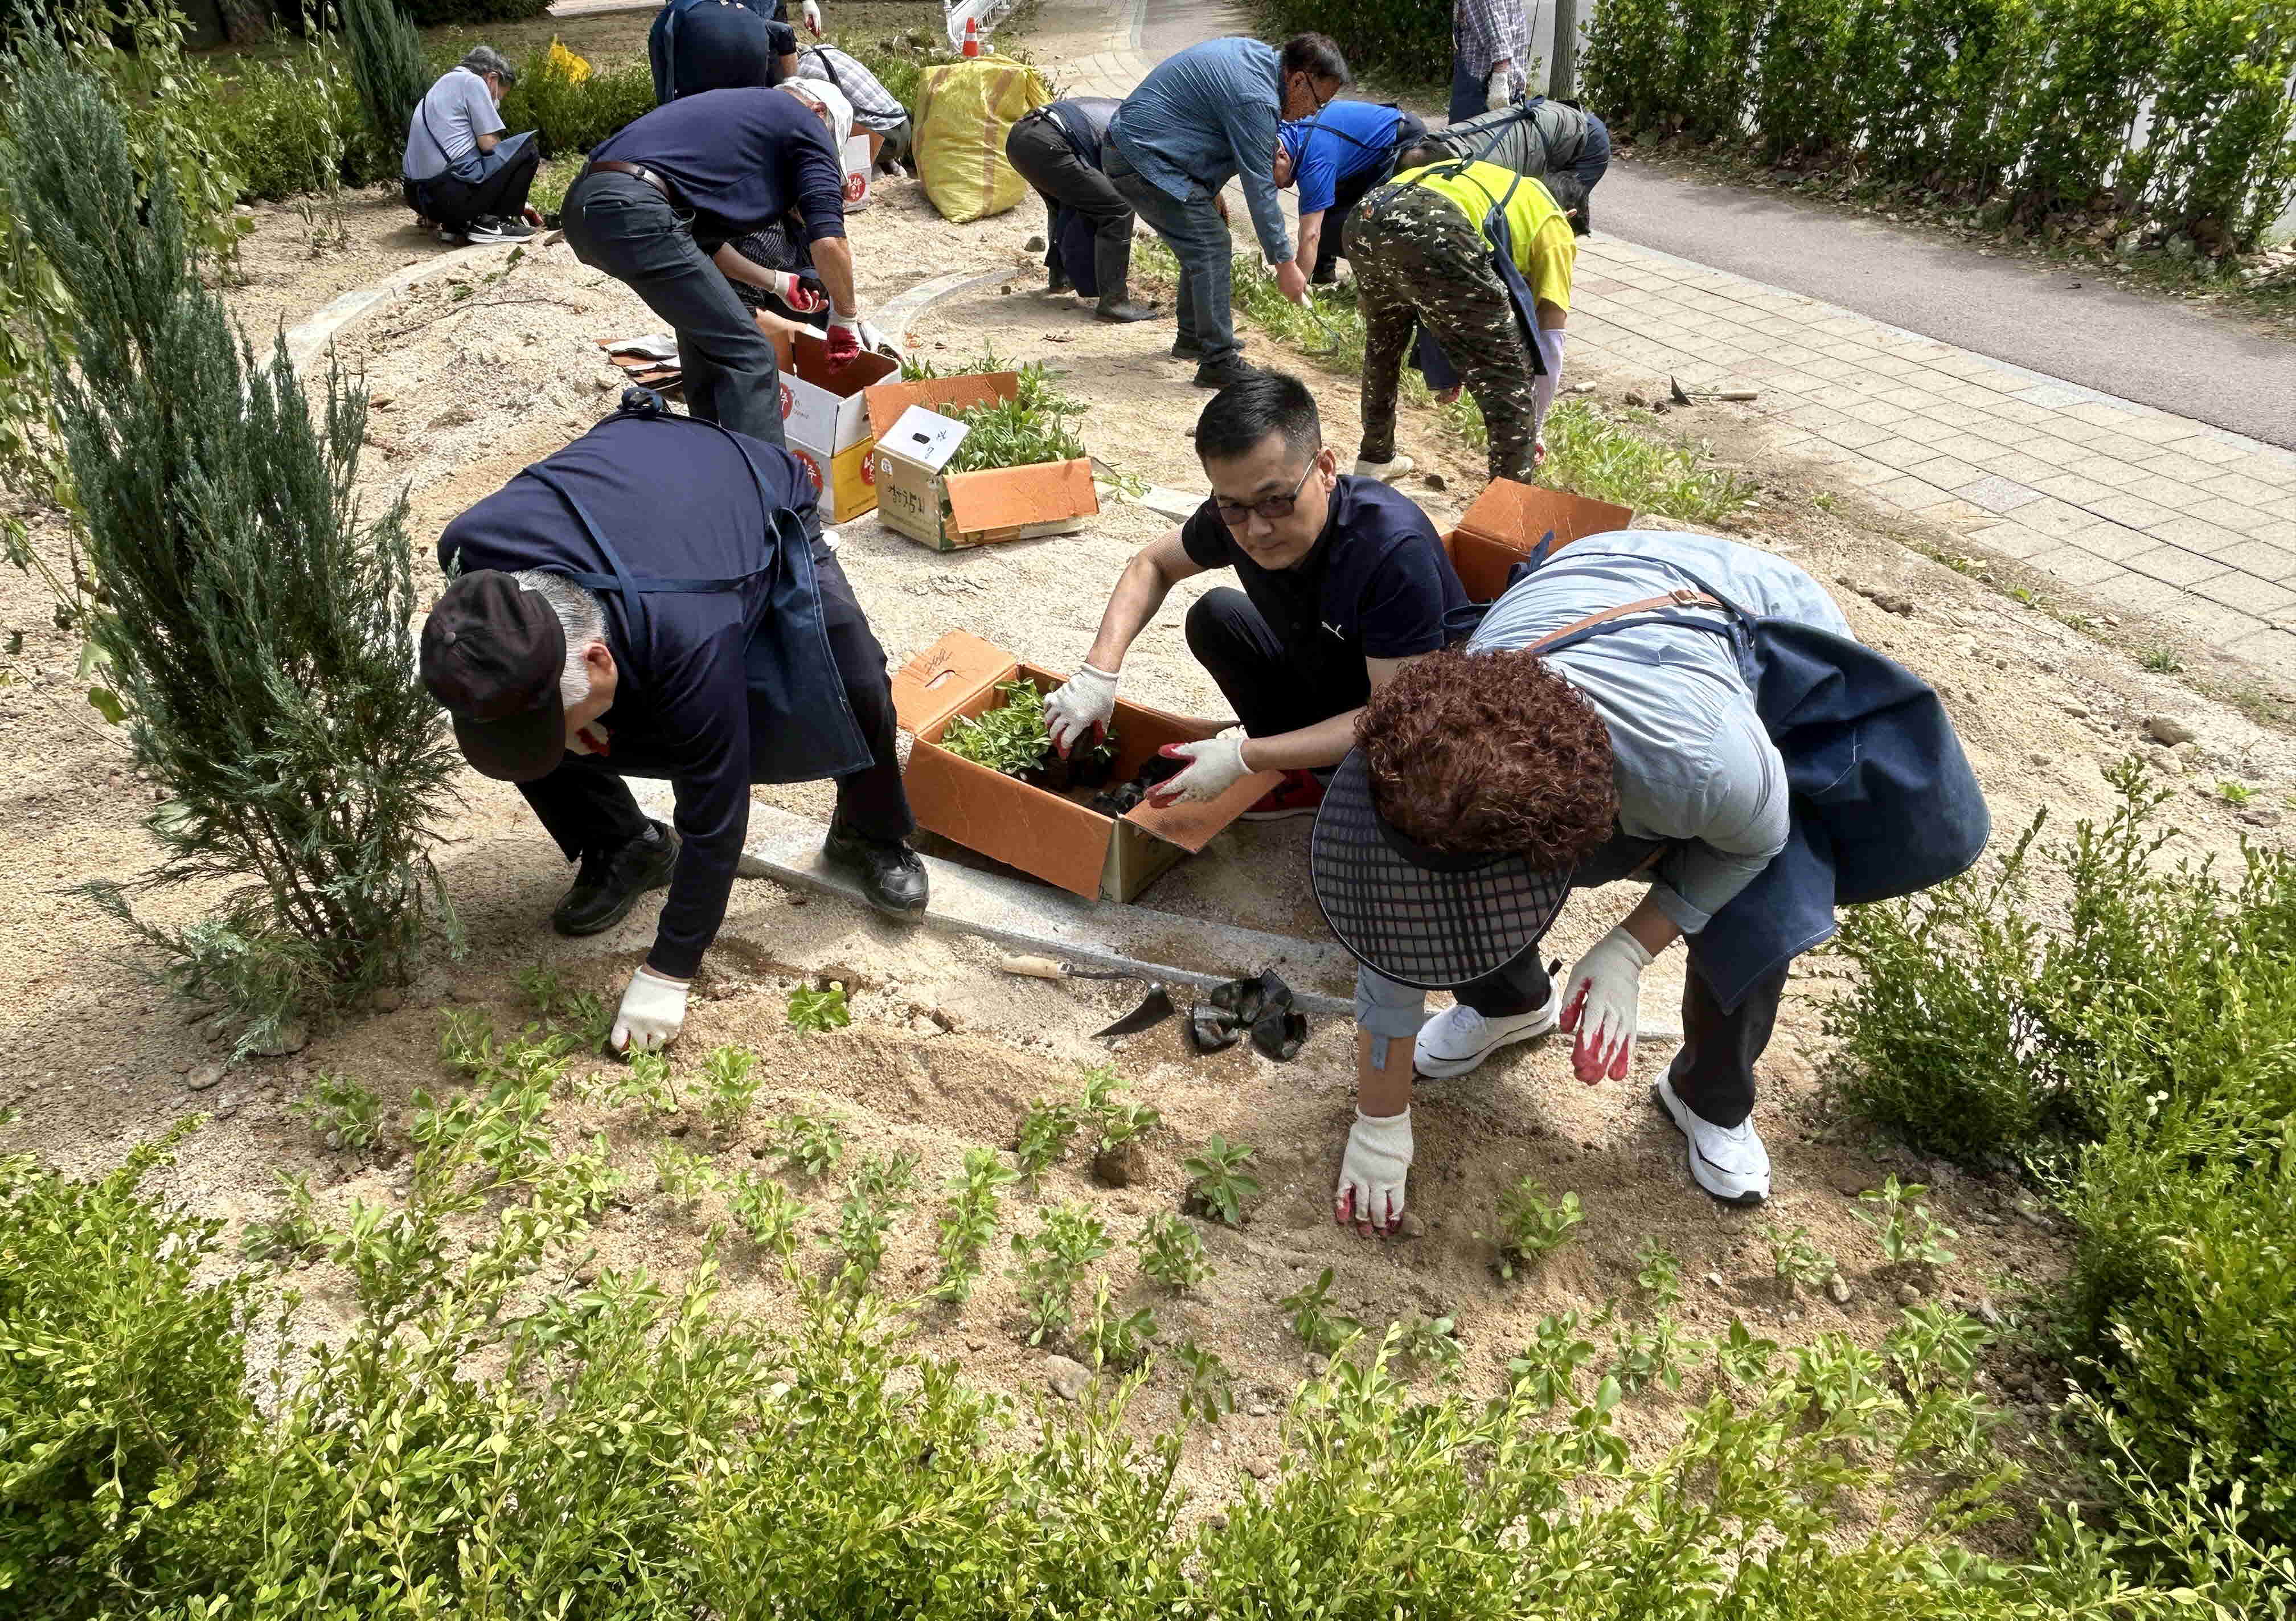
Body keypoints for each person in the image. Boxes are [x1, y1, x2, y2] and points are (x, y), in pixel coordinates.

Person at [1310, 530, 1990, 1231]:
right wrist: (1379, 1122)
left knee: (1764, 897)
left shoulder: (1700, 765)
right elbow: (1392, 939)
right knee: (1453, 877)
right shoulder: (1414, 750)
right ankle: (1510, 1006)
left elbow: (1754, 843)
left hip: (1748, 626)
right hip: (1591, 583)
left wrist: (1633, 947)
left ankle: (1709, 1095)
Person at [421, 390, 926, 1057]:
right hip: (636, 506)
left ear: (599, 656)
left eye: (568, 714)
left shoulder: (687, 631)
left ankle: (868, 832)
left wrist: (670, 968)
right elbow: (509, 683)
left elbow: (716, 802)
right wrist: (555, 727)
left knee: (855, 679)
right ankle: (625, 845)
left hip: (747, 491)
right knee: (522, 727)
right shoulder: (473, 557)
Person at [1040, 371, 1465, 824]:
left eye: (1276, 501)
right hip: (1336, 667)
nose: (1257, 529)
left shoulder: (1390, 551)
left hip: (1415, 716)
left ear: (1323, 470)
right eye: (1233, 506)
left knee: (1407, 796)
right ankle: (1304, 774)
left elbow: (1394, 716)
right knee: (1215, 616)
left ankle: (1319, 775)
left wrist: (1245, 757)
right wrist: (1098, 674)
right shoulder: (1236, 516)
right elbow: (1152, 564)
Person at [563, 87, 871, 446]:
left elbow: (705, 248)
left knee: (704, 336)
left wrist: (777, 284)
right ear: (819, 112)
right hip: (634, 206)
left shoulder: (734, 124)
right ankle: (768, 492)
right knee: (751, 357)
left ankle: (711, 454)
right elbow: (829, 241)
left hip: (585, 210)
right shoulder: (807, 122)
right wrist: (844, 319)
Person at [1104, 34, 1350, 390]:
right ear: (1298, 80)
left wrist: (1211, 190)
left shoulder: (1260, 61)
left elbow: (1206, 121)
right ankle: (1217, 361)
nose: (1314, 112)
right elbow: (1260, 189)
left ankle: (1193, 338)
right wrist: (1286, 265)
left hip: (1147, 150)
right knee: (1211, 245)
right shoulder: (1256, 98)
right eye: (1318, 101)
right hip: (1141, 157)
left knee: (1205, 240)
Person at [1349, 157, 1575, 486]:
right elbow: (1551, 338)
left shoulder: (1497, 181)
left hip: (1369, 214)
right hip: (1436, 225)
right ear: (1571, 217)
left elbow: (1441, 299)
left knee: (1384, 342)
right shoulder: (1556, 225)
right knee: (1507, 376)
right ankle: (1508, 507)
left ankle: (1374, 458)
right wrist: (1534, 424)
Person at [1005, 96, 1154, 324]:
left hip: (1021, 137)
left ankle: (1061, 277)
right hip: (1048, 143)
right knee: (1117, 207)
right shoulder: (1140, 125)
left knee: (1070, 199)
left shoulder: (1125, 109)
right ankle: (1114, 304)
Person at [1272, 99, 1426, 286]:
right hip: (1367, 142)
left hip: (1402, 143)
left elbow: (1311, 236)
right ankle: (1320, 277)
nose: (1274, 185)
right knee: (1322, 208)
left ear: (1282, 155)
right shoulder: (1283, 131)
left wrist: (1291, 292)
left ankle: (1386, 286)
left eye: (1270, 175)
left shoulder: (1314, 162)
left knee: (1339, 226)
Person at [1401, 95, 1612, 229]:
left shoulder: (1476, 173)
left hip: (1587, 140)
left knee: (1557, 214)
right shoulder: (1440, 141)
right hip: (1551, 120)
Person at [401, 46, 539, 245]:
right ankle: (493, 224)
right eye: (499, 96)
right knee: (528, 150)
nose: (497, 102)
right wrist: (510, 200)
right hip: (448, 197)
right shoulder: (473, 82)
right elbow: (490, 147)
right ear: (492, 78)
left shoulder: (443, 84)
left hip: (418, 198)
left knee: (466, 158)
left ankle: (454, 227)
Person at [649, 0, 800, 102]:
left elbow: (663, 70)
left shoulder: (675, 12)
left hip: (701, 102)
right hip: (751, 100)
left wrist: (666, 106)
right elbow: (784, 31)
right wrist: (793, 94)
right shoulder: (745, 12)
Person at [794, 43, 913, 169]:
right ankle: (887, 163)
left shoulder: (801, 74)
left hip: (882, 140)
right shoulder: (827, 50)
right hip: (904, 127)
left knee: (814, 125)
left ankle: (872, 167)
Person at [1450, 0, 1530, 124]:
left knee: (1468, 140)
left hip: (1482, 86)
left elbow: (1496, 21)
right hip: (1486, 81)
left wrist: (1500, 78)